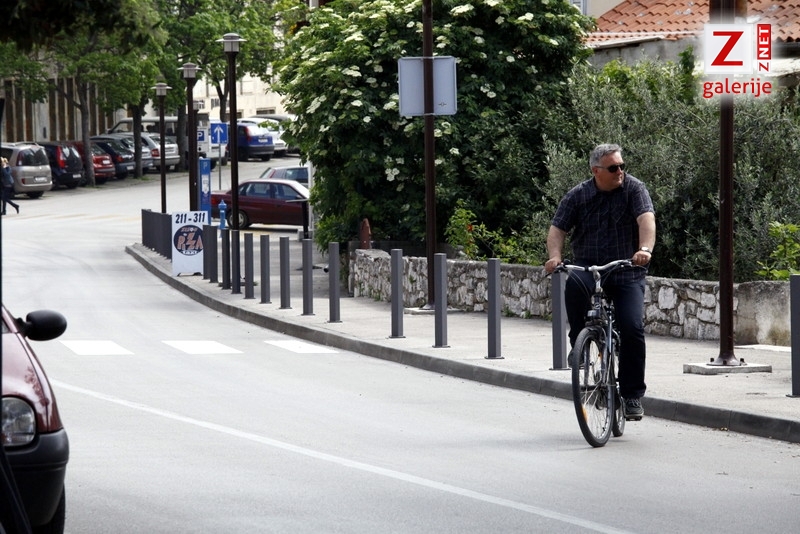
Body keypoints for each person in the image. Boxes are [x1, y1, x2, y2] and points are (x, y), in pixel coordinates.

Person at [544, 143, 656, 419]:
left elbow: (646, 220)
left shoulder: (634, 189)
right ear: (596, 171)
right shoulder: (578, 195)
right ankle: (579, 344)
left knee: (632, 328)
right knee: (574, 284)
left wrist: (644, 249)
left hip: (625, 268)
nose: (620, 172)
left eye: (622, 166)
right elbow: (557, 229)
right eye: (613, 168)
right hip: (589, 267)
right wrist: (555, 256)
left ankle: (632, 396)